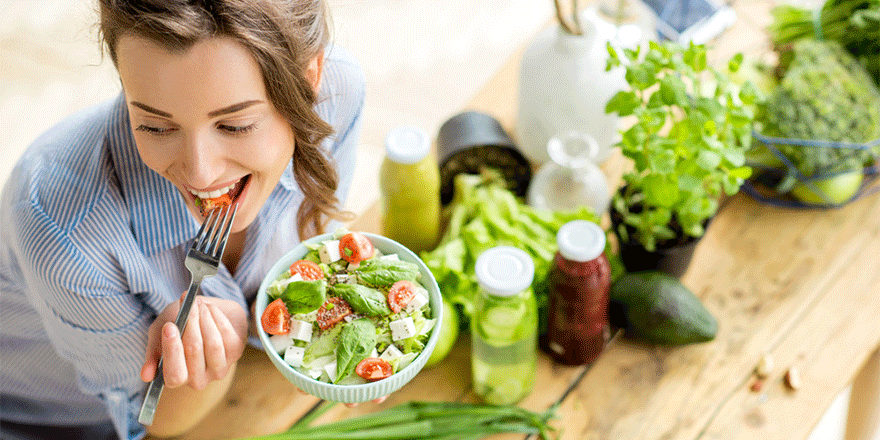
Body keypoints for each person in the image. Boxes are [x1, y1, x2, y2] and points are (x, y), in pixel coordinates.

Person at [0, 0, 371, 438]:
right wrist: (206, 356)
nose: (199, 173)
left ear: (309, 82)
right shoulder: (59, 225)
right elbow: (151, 421)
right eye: (155, 126)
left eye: (235, 125)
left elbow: (314, 260)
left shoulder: (336, 93)